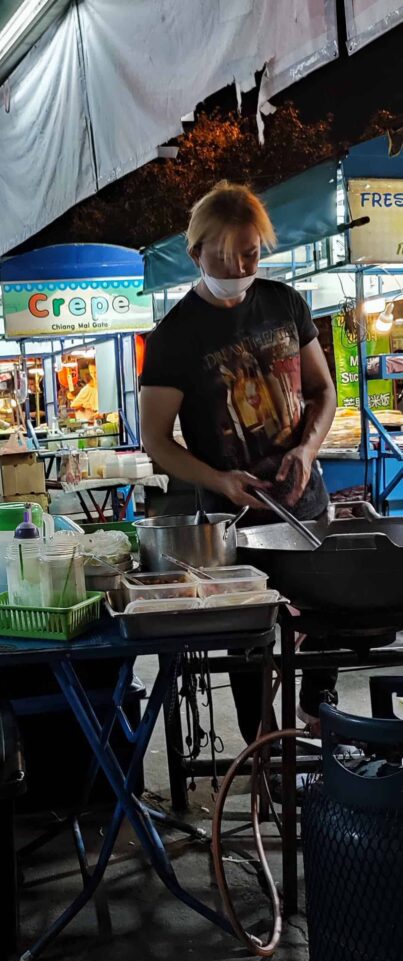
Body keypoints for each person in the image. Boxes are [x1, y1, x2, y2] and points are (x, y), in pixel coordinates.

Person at [140, 181, 336, 742]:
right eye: (223, 256)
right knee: (249, 642)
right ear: (195, 253)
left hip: (307, 505)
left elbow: (324, 393)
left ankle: (319, 710)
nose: (237, 266)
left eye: (249, 253)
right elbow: (156, 439)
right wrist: (221, 480)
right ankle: (262, 749)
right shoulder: (173, 337)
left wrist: (307, 447)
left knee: (329, 613)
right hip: (234, 523)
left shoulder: (285, 303)